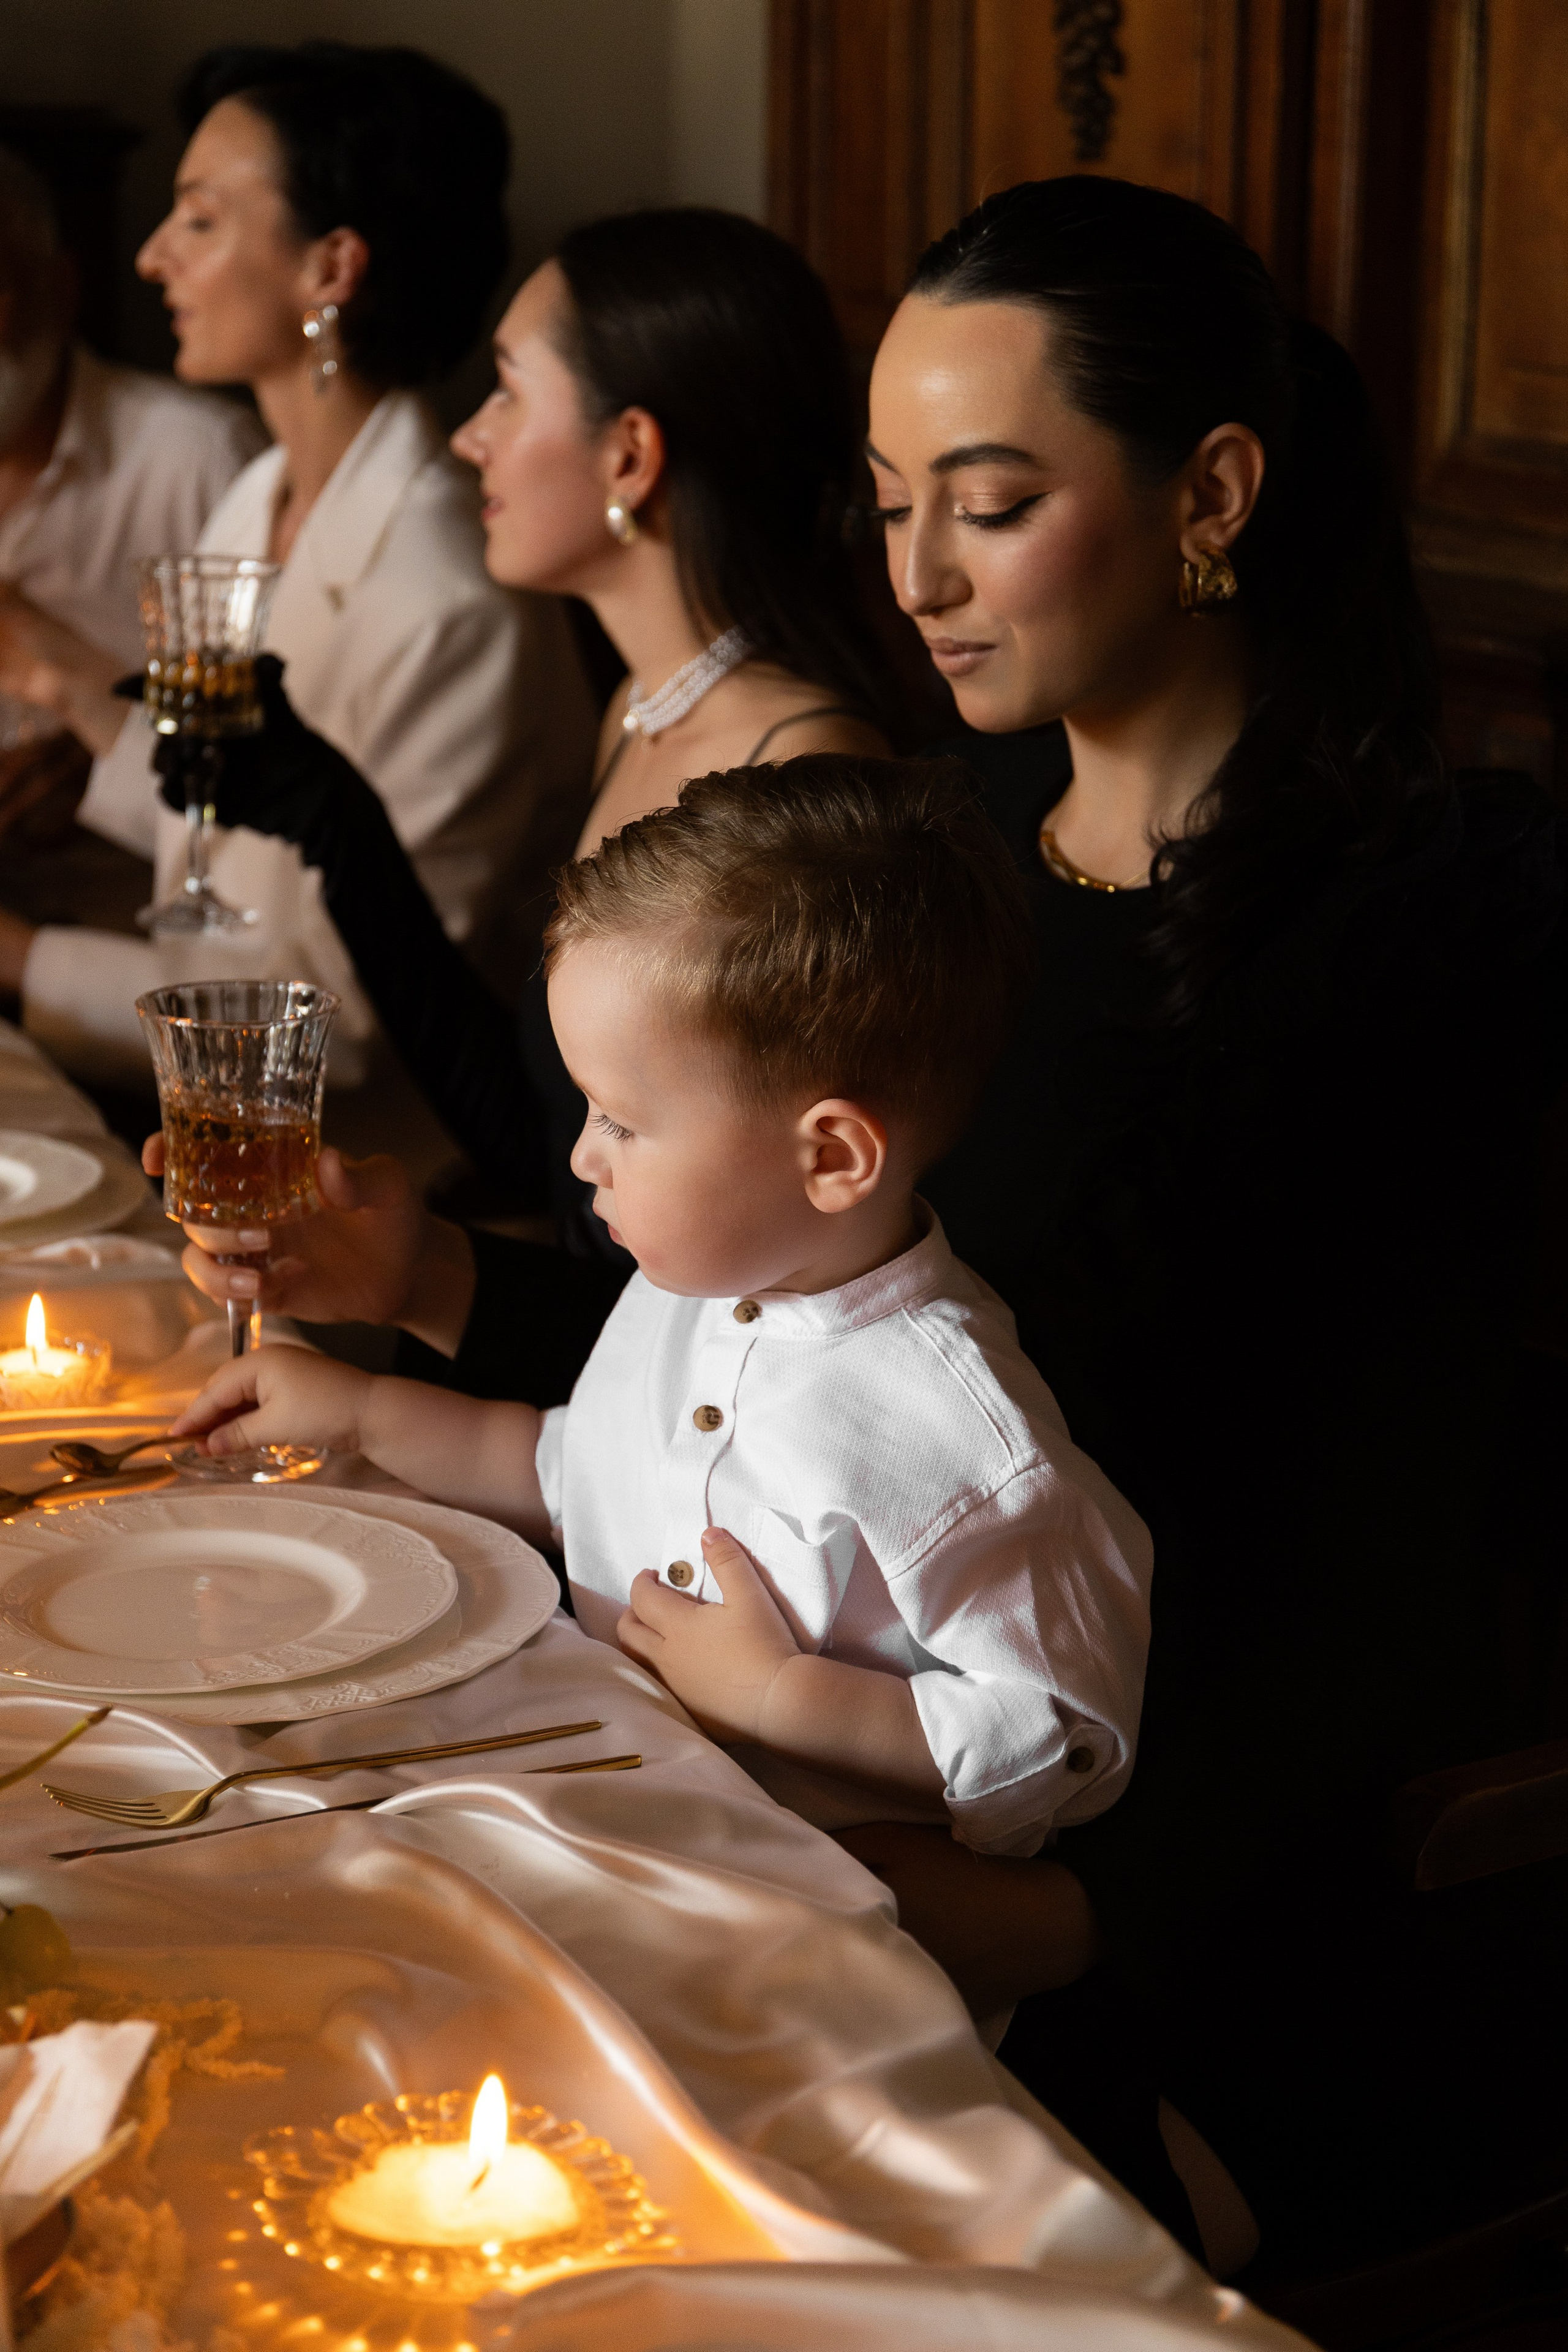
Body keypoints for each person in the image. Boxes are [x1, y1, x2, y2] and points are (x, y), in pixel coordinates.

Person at [157, 175, 1567, 2269]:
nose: (911, 577)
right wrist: (431, 1287)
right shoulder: (948, 837)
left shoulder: (1454, 921)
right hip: (845, 1756)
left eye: (986, 507)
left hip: (1221, 1881)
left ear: (1214, 494)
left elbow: (1410, 1557)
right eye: (890, 500)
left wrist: (1055, 1907)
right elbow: (801, 1354)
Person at [168, 753, 1151, 1940]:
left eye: (622, 1122)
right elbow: (557, 1463)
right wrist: (365, 1410)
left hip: (797, 1913)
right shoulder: (689, 1288)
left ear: (831, 1158)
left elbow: (1060, 1736)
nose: (583, 1158)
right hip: (610, 1790)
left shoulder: (960, 1439)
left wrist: (785, 1696)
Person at [141, 203, 894, 1385]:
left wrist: (423, 1310)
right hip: (574, 1390)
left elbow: (750, 1345)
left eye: (505, 393)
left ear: (630, 457)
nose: (467, 441)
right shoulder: (647, 710)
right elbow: (549, 1137)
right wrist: (344, 829)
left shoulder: (800, 778)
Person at [0, 42, 595, 1107]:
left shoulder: (450, 598)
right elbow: (233, 831)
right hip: (214, 1100)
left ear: (331, 267)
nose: (148, 257)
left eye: (198, 218)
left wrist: (20, 957)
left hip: (386, 1165)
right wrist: (55, 674)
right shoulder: (262, 492)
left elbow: (347, 1026)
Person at [0, 146, 262, 864]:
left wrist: (112, 748)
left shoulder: (201, 459)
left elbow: (279, 772)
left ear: (61, 286)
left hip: (147, 901)